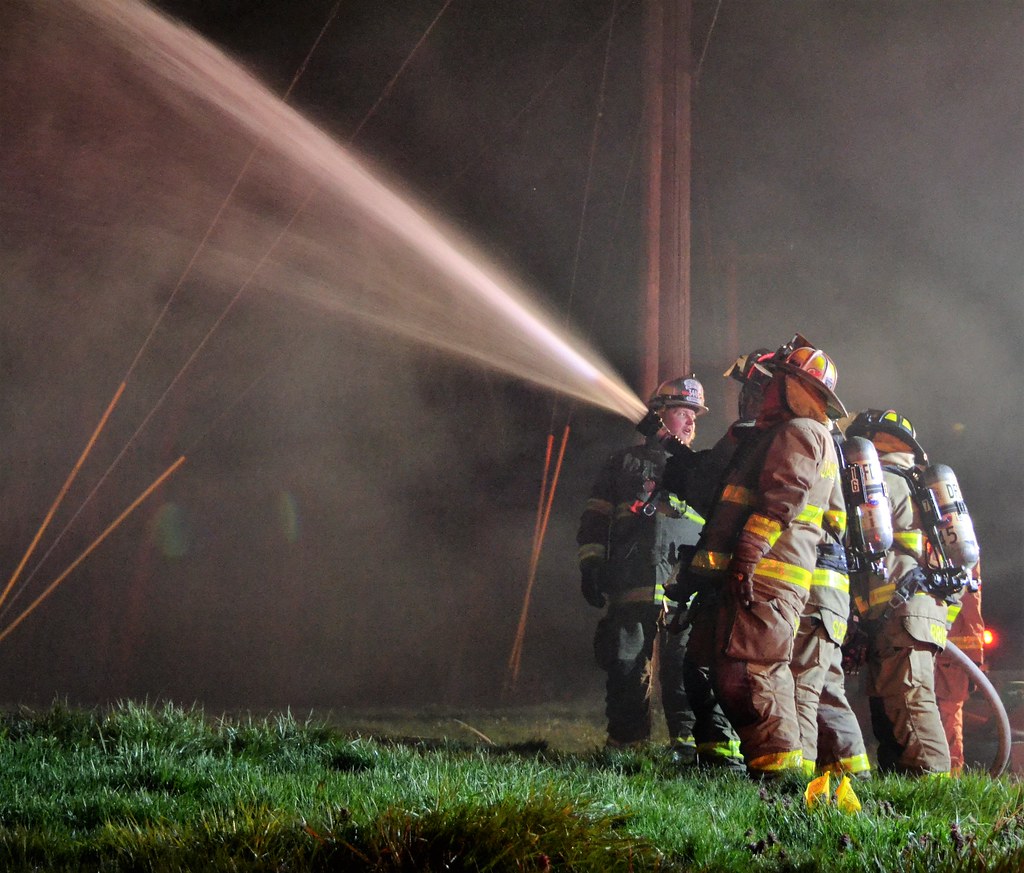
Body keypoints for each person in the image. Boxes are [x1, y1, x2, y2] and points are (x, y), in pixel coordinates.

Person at [683, 340, 847, 778]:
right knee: (734, 674)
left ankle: (782, 782)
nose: (766, 391)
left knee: (753, 677)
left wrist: (748, 557)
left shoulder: (800, 432)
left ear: (795, 387)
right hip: (763, 577)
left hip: (767, 577)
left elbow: (781, 500)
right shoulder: (795, 433)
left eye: (776, 381)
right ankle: (775, 774)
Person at [576, 376, 708, 751]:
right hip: (631, 582)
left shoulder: (699, 470)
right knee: (626, 665)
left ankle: (688, 747)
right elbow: (595, 520)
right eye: (683, 412)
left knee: (686, 670)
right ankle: (627, 748)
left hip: (684, 588)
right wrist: (591, 565)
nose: (691, 421)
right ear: (659, 416)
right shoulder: (623, 464)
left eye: (694, 415)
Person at [844, 409, 967, 776]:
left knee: (911, 705)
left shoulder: (878, 484)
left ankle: (934, 796)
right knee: (892, 708)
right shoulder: (918, 487)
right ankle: (900, 789)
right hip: (919, 610)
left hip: (899, 610)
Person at [935, 563, 985, 775]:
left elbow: (972, 607)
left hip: (950, 655)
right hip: (938, 648)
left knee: (948, 714)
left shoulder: (962, 550)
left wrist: (974, 659)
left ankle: (951, 775)